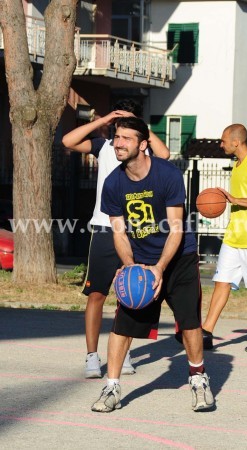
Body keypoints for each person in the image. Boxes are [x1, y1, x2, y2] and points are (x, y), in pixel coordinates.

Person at [91, 117, 215, 413]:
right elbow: (119, 232)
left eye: (126, 138)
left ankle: (198, 379)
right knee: (123, 326)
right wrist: (131, 266)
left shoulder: (167, 175)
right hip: (142, 260)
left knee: (189, 322)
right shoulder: (113, 183)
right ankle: (112, 387)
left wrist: (160, 267)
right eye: (116, 137)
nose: (118, 143)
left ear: (143, 144)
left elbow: (176, 228)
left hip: (179, 258)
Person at [62, 100, 170, 378]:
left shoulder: (139, 147)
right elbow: (68, 140)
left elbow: (165, 154)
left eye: (127, 125)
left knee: (132, 295)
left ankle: (125, 352)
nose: (121, 132)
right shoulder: (104, 146)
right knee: (97, 295)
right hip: (104, 230)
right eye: (118, 125)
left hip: (135, 231)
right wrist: (104, 119)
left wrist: (139, 124)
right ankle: (91, 356)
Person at [202, 123, 247, 352]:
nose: (221, 144)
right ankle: (206, 332)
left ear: (237, 142)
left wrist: (236, 200)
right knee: (221, 281)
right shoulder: (237, 164)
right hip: (234, 235)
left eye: (223, 140)